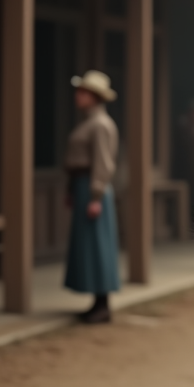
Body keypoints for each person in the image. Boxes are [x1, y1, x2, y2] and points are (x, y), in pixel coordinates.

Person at [63, 70, 121, 324]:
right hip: (82, 185)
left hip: (92, 187)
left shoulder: (100, 125)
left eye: (83, 92)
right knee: (88, 245)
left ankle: (102, 303)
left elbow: (103, 162)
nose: (78, 96)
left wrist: (96, 195)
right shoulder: (89, 122)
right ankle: (96, 301)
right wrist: (71, 189)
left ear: (95, 96)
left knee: (98, 245)